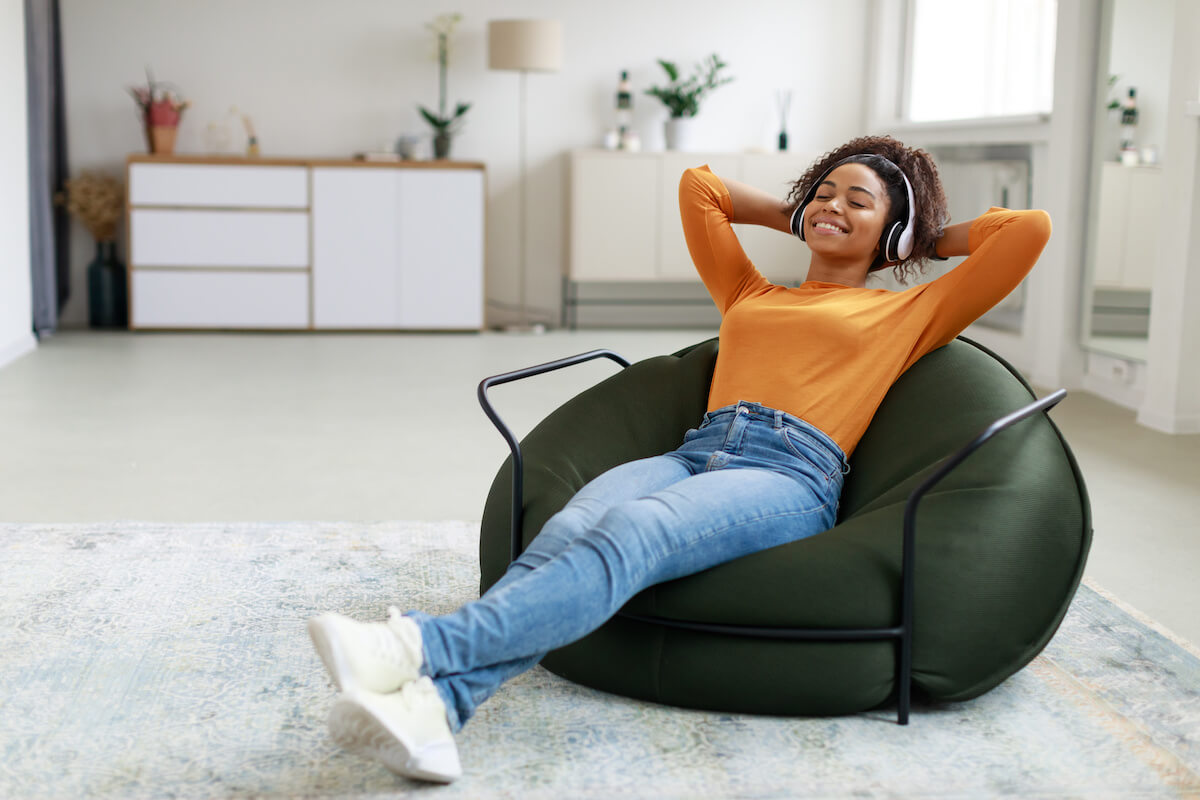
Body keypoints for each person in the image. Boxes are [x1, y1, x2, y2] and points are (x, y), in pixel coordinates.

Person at [307, 135, 1052, 783]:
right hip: (699, 449)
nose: (832, 205)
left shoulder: (906, 312)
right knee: (571, 528)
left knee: (637, 532)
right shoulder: (748, 292)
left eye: (858, 200)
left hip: (788, 472)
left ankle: (418, 646)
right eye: (823, 192)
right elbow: (701, 189)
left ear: (894, 230)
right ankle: (442, 709)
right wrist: (797, 213)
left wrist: (918, 238)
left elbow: (1027, 230)